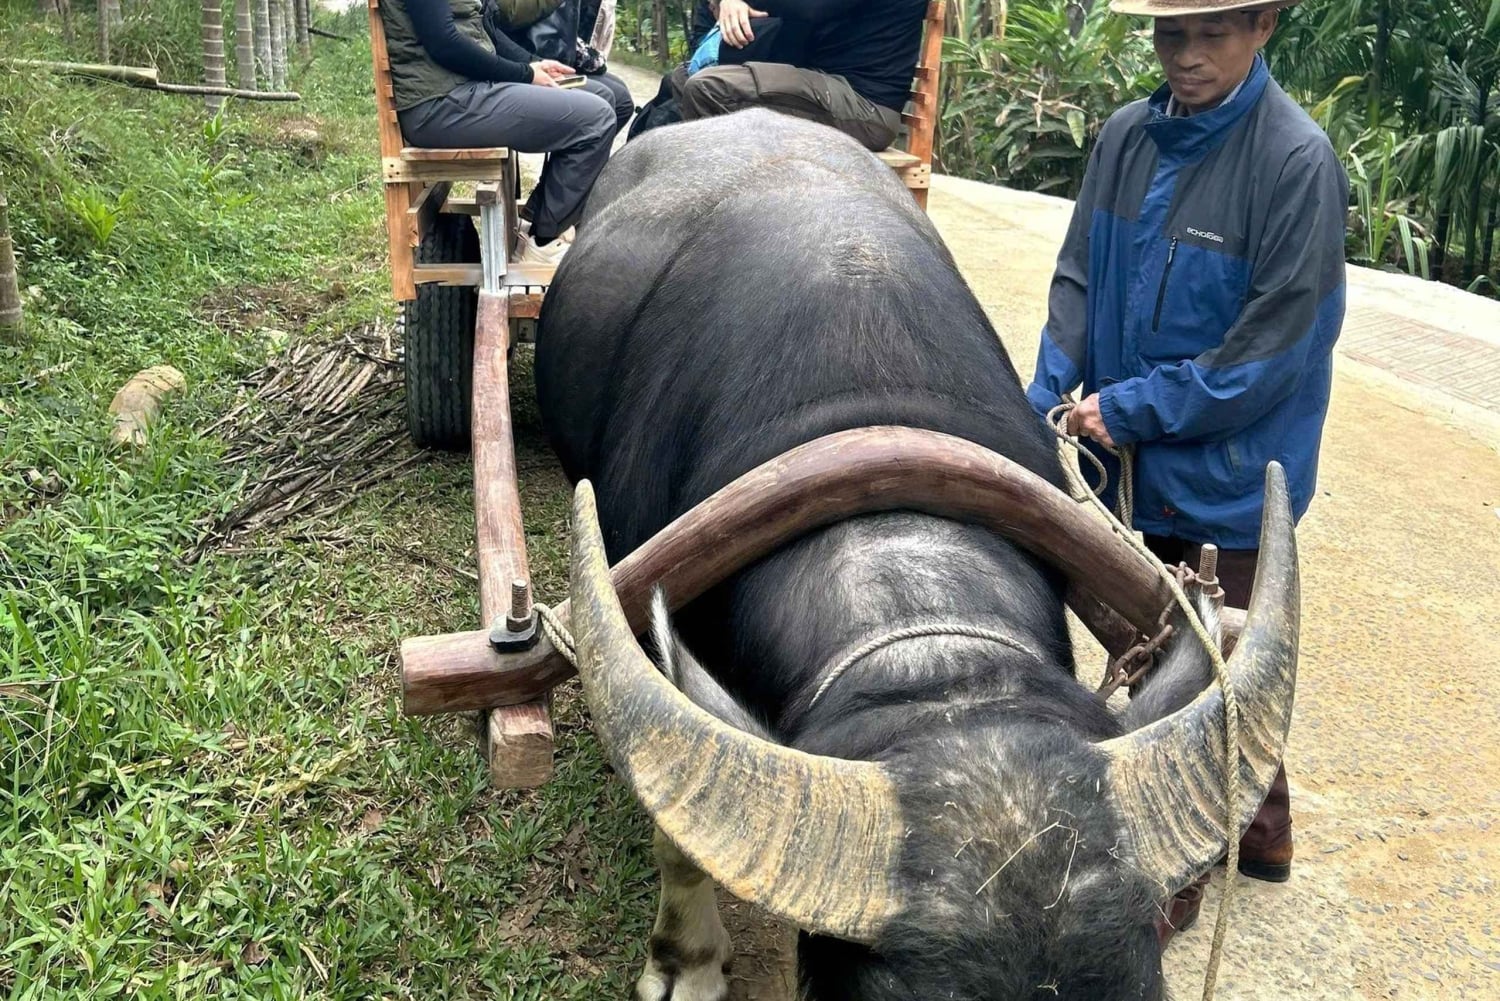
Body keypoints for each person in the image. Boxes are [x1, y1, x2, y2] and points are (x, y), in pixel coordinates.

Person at [1026, 0, 1348, 943]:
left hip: (1232, 472)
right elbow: (1078, 277)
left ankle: (1172, 874)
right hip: (1127, 463)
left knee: (1207, 663)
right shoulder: (1126, 137)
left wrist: (1129, 408)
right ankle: (1267, 825)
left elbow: (1274, 351)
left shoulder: (1295, 162)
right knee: (1182, 652)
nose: (1189, 56)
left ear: (1264, 29)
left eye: (1213, 34)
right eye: (1172, 36)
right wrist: (1039, 398)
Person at [379, 0, 620, 264]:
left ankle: (542, 221)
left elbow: (482, 25)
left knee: (610, 99)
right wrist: (524, 74)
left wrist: (534, 65)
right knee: (596, 120)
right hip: (441, 104)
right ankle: (544, 244)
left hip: (463, 88)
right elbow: (443, 43)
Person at [678, 0, 928, 152]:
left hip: (865, 106)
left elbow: (809, 7)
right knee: (684, 77)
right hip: (823, 82)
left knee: (709, 88)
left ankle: (722, 216)